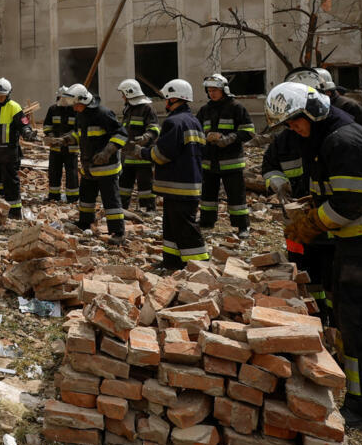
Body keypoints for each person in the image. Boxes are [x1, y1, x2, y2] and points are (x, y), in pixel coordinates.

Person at [267, 81, 362, 429]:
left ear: (313, 111)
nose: (293, 129)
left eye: (295, 121)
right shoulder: (327, 137)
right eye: (288, 124)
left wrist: (312, 224)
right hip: (358, 239)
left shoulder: (343, 141)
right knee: (348, 314)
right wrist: (310, 207)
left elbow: (351, 202)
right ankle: (357, 390)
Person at [264, 69, 331, 322]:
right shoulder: (284, 140)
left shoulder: (332, 136)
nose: (293, 125)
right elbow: (269, 165)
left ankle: (332, 318)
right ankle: (312, 312)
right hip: (295, 218)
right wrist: (278, 182)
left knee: (330, 269)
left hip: (328, 218)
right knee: (302, 267)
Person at [126, 79, 207, 268]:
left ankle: (201, 267)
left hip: (178, 184)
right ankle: (172, 262)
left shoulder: (173, 122)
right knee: (171, 226)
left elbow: (162, 155)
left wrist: (141, 152)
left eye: (166, 98)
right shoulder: (193, 121)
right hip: (188, 183)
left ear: (174, 98)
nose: (165, 102)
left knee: (186, 228)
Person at [65, 83, 127, 244]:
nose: (74, 108)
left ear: (83, 101)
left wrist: (107, 152)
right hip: (88, 166)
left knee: (111, 201)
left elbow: (121, 134)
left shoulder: (103, 114)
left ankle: (118, 233)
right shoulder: (81, 115)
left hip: (107, 168)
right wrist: (65, 139)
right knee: (86, 198)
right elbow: (80, 135)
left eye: (75, 104)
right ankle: (85, 223)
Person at [197, 74, 255, 236]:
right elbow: (196, 131)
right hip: (209, 161)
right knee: (207, 195)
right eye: (209, 90)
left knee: (236, 196)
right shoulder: (205, 110)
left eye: (215, 90)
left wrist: (228, 139)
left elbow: (249, 131)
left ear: (224, 90)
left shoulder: (236, 107)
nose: (212, 93)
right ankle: (206, 222)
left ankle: (242, 226)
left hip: (231, 161)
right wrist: (205, 137)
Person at [0, 78, 31, 219]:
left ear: (9, 93)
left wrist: (27, 132)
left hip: (9, 152)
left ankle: (15, 212)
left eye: (2, 95)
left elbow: (24, 124)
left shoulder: (14, 107)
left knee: (10, 182)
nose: (0, 97)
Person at [117, 79, 159, 212]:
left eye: (123, 94)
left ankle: (148, 209)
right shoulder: (128, 109)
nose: (122, 97)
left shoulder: (147, 108)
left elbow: (154, 128)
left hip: (142, 155)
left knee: (145, 184)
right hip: (127, 155)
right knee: (124, 184)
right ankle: (122, 207)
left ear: (129, 93)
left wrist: (145, 137)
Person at [314, 67, 362, 141]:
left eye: (314, 94)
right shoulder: (315, 108)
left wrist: (354, 145)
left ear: (328, 92)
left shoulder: (349, 105)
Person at [42, 86, 80, 203]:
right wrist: (51, 136)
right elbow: (47, 126)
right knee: (54, 172)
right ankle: (54, 196)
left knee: (72, 174)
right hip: (56, 149)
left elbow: (79, 129)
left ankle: (72, 198)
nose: (61, 100)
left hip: (71, 149)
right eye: (59, 98)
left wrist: (68, 139)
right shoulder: (53, 109)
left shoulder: (75, 110)